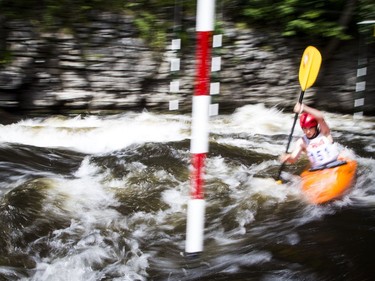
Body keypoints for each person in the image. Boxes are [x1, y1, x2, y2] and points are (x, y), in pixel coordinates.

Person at [280, 102, 342, 170]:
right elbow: (293, 159)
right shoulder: (302, 142)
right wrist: (288, 158)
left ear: (315, 126)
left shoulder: (324, 133)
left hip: (335, 163)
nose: (307, 131)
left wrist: (303, 107)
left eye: (310, 128)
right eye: (305, 128)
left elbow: (320, 117)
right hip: (318, 169)